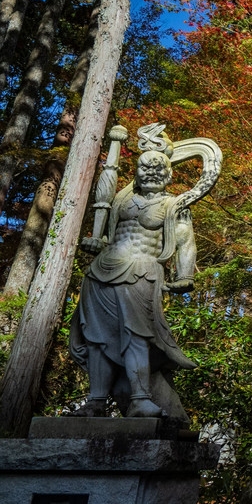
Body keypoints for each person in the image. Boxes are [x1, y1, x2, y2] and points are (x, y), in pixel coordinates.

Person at [70, 149, 199, 418]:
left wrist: (185, 275)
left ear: (170, 174)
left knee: (136, 335)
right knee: (97, 338)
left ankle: (140, 399)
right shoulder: (122, 200)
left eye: (159, 168)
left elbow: (186, 241)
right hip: (101, 272)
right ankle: (95, 401)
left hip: (141, 272)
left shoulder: (174, 206)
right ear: (135, 172)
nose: (151, 172)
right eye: (144, 167)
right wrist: (98, 241)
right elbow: (108, 229)